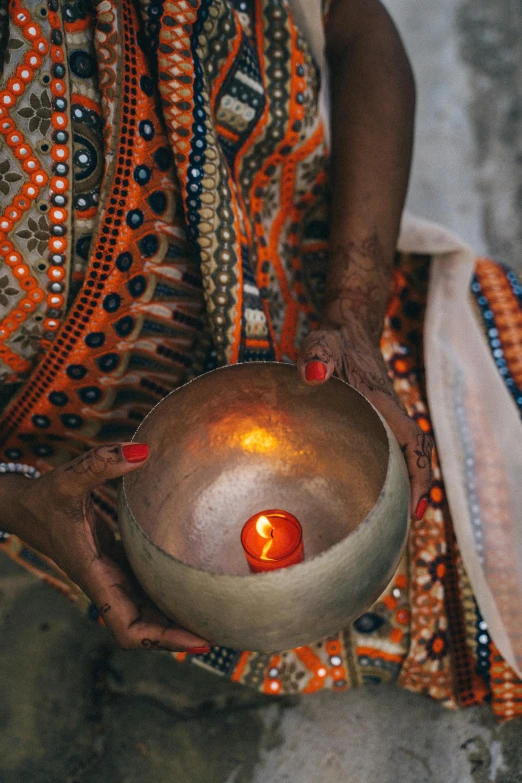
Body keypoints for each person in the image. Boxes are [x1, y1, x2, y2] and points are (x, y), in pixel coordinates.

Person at [0, 0, 521, 719]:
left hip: (347, 327)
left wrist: (355, 309)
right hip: (115, 493)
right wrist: (18, 500)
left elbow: (354, 24)